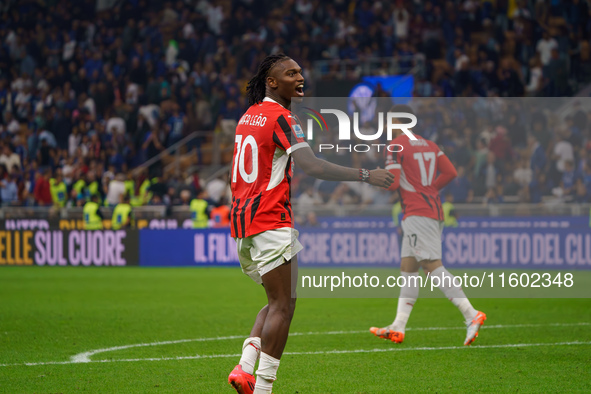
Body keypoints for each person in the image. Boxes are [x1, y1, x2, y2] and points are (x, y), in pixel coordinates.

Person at [227, 53, 393, 394]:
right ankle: (263, 389)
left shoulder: (249, 115)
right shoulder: (282, 117)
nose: (299, 77)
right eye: (290, 73)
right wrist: (366, 174)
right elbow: (313, 166)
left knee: (277, 301)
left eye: (300, 72)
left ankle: (244, 367)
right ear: (272, 82)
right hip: (271, 220)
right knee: (284, 306)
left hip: (243, 225)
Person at [370, 105, 485, 346]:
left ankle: (471, 314)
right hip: (430, 209)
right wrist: (430, 189)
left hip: (417, 212)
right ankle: (398, 327)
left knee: (432, 266)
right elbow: (450, 172)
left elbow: (392, 184)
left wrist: (373, 178)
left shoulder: (395, 145)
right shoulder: (431, 145)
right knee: (408, 268)